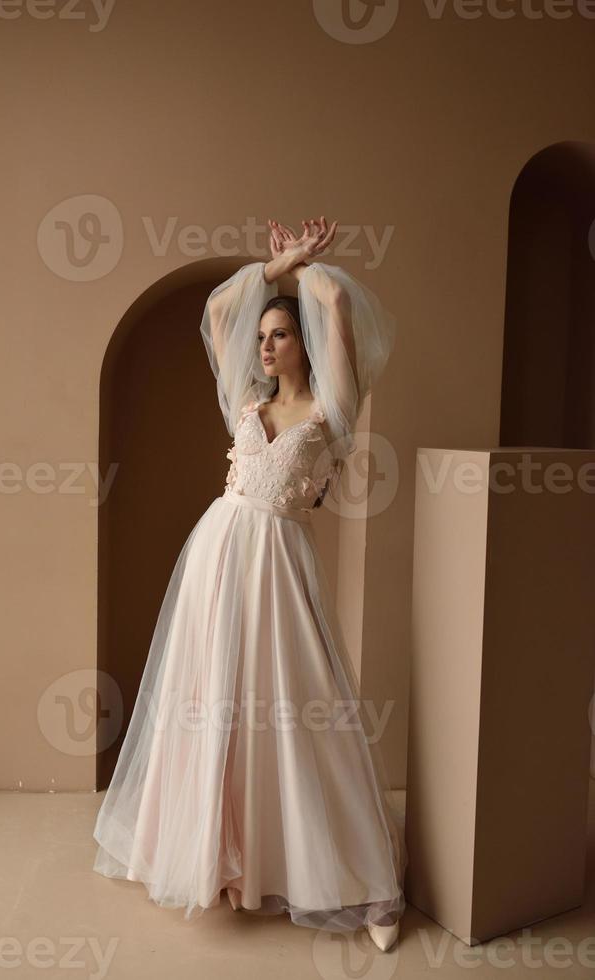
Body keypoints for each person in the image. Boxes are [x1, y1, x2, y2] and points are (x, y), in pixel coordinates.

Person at [92, 216, 406, 952]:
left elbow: (334, 312)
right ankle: (215, 855)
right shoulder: (245, 401)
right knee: (209, 696)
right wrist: (274, 268)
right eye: (262, 337)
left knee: (298, 700)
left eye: (279, 337)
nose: (264, 347)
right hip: (217, 554)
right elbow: (215, 315)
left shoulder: (332, 412)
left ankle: (358, 880)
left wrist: (305, 277)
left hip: (278, 561)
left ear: (303, 346)